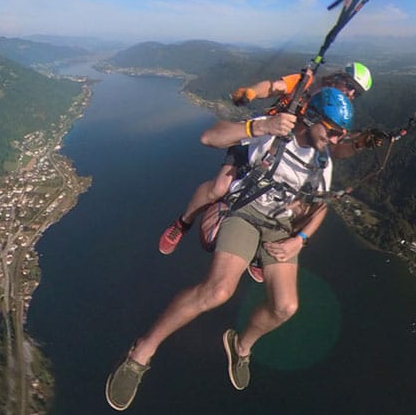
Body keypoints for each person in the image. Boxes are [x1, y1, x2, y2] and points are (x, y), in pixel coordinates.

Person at [105, 87, 355, 410]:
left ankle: (242, 346)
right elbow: (210, 137)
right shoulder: (276, 130)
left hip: (279, 229)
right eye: (333, 132)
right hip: (247, 213)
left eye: (341, 135)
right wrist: (259, 127)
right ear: (314, 119)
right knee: (217, 291)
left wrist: (300, 238)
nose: (336, 140)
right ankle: (142, 351)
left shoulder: (323, 163)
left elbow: (321, 207)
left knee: (286, 308)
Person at [157, 62, 375, 258]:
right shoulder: (306, 84)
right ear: (339, 78)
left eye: (357, 93)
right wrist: (252, 92)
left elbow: (330, 148)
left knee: (295, 208)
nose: (352, 94)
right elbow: (274, 87)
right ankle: (183, 222)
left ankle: (264, 248)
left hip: (289, 156)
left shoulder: (338, 112)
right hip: (262, 139)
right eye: (351, 86)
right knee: (219, 188)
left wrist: (358, 144)